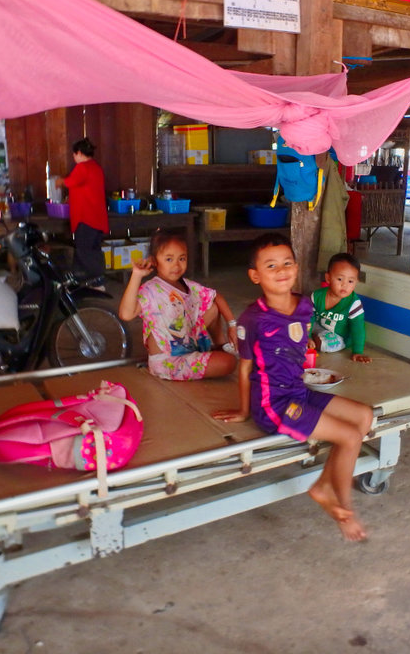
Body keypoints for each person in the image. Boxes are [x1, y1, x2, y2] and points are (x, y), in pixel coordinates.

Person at [213, 233, 374, 542]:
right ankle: (344, 509)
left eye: (287, 263)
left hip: (298, 392)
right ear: (255, 276)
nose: (282, 270)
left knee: (364, 416)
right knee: (351, 437)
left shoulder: (303, 305)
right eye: (271, 265)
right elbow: (245, 367)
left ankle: (322, 486)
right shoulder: (253, 319)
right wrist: (244, 411)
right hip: (273, 405)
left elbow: (303, 338)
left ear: (297, 267)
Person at [118, 228, 237, 381]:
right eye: (169, 259)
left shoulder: (187, 284)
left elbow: (216, 297)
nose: (176, 265)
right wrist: (136, 275)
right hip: (169, 362)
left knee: (212, 307)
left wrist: (232, 325)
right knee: (229, 363)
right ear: (154, 261)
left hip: (188, 345)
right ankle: (218, 355)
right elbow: (126, 314)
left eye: (182, 258)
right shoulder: (150, 290)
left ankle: (221, 347)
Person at [57, 137, 108, 288]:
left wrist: (59, 181)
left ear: (79, 153)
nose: (74, 157)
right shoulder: (96, 167)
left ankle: (97, 281)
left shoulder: (82, 167)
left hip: (86, 218)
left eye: (74, 154)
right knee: (92, 250)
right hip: (97, 218)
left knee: (84, 251)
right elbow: (83, 188)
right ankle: (83, 281)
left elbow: (69, 182)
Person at [311, 253, 372, 363]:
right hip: (319, 326)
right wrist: (306, 336)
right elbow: (309, 317)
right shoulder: (317, 296)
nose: (345, 285)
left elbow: (358, 328)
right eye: (339, 279)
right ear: (328, 278)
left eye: (350, 281)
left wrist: (358, 351)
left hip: (339, 336)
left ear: (356, 282)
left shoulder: (353, 303)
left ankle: (313, 340)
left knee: (326, 345)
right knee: (299, 324)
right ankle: (310, 338)